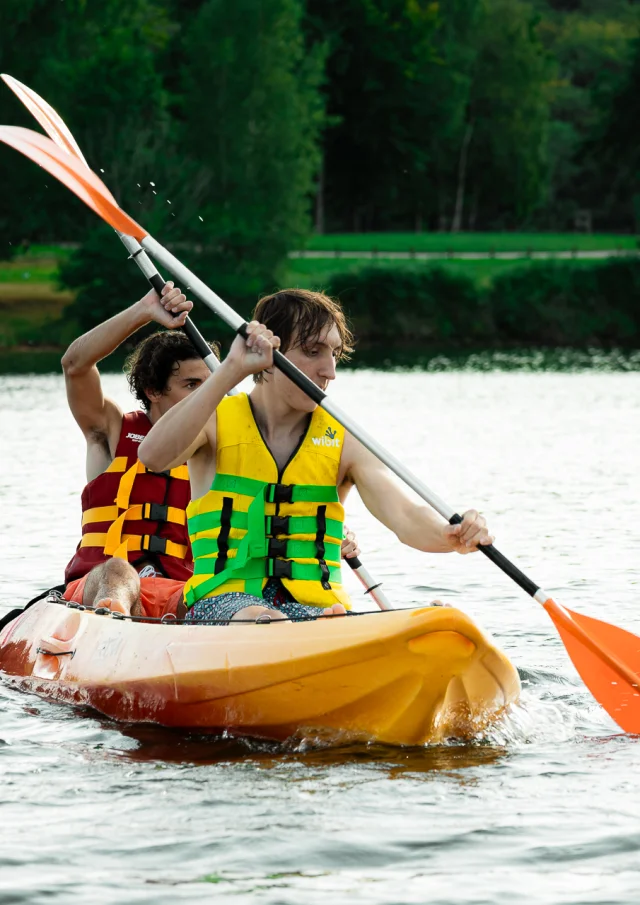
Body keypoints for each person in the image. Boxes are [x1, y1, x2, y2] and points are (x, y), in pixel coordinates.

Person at [138, 289, 493, 624]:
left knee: (428, 617)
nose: (330, 371)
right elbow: (153, 456)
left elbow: (403, 514)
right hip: (223, 605)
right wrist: (231, 369)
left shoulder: (345, 440)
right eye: (312, 351)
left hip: (316, 609)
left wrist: (450, 534)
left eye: (334, 354)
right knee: (266, 620)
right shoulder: (213, 419)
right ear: (270, 356)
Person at [59, 283, 361, 620]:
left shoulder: (227, 443)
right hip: (100, 585)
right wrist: (143, 311)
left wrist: (328, 537)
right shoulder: (112, 432)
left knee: (221, 598)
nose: (210, 393)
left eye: (211, 381)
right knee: (118, 571)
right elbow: (75, 365)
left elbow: (276, 511)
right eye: (192, 385)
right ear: (153, 390)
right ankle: (111, 625)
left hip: (181, 593)